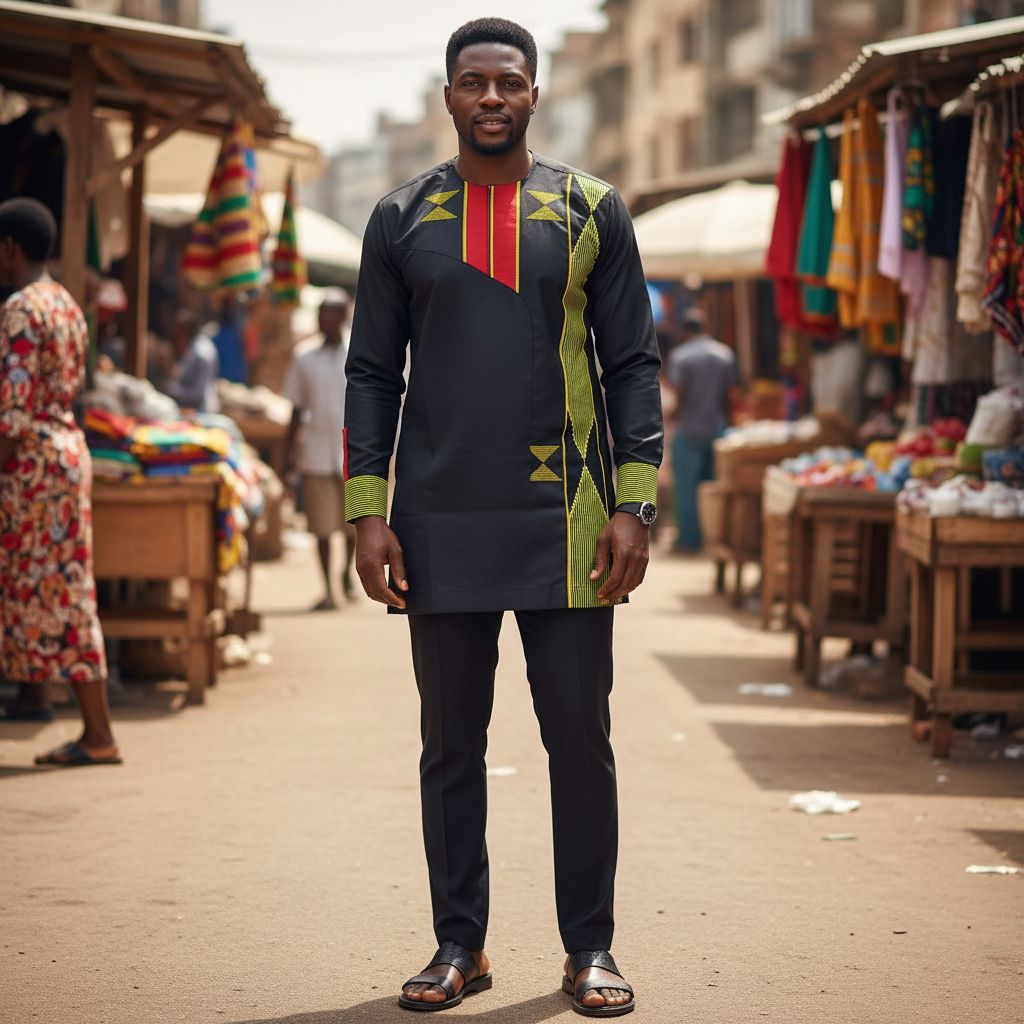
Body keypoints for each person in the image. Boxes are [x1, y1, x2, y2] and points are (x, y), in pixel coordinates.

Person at [344, 19, 662, 1017]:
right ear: (447, 96)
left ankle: (591, 949)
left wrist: (633, 503)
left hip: (567, 527)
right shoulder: (399, 219)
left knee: (580, 740)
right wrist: (365, 512)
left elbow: (631, 365)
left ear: (536, 94)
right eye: (472, 83)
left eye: (508, 83)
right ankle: (458, 945)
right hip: (437, 519)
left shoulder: (591, 210)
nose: (490, 97)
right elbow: (369, 371)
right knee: (449, 745)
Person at [0, 197, 121, 767]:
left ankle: (98, 735)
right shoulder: (66, 304)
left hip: (32, 468)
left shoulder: (21, 309)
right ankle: (94, 731)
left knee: (59, 595)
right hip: (66, 456)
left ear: (9, 249)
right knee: (67, 591)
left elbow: (11, 410)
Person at [283, 290, 356, 610]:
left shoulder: (358, 350)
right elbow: (296, 410)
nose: (327, 321)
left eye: (333, 314)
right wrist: (287, 457)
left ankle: (346, 573)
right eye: (322, 315)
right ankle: (328, 588)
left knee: (353, 523)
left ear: (342, 317)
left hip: (354, 453)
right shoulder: (304, 357)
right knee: (321, 526)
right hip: (315, 454)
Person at [665, 309, 739, 552]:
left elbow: (680, 395)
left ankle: (688, 540)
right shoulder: (724, 354)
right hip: (717, 428)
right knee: (713, 487)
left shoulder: (681, 356)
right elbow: (729, 397)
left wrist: (669, 417)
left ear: (685, 331)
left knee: (687, 488)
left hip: (689, 428)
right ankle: (713, 537)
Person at [167, 309, 219, 413]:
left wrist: (171, 389)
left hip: (201, 411)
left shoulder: (200, 353)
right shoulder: (196, 346)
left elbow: (196, 394)